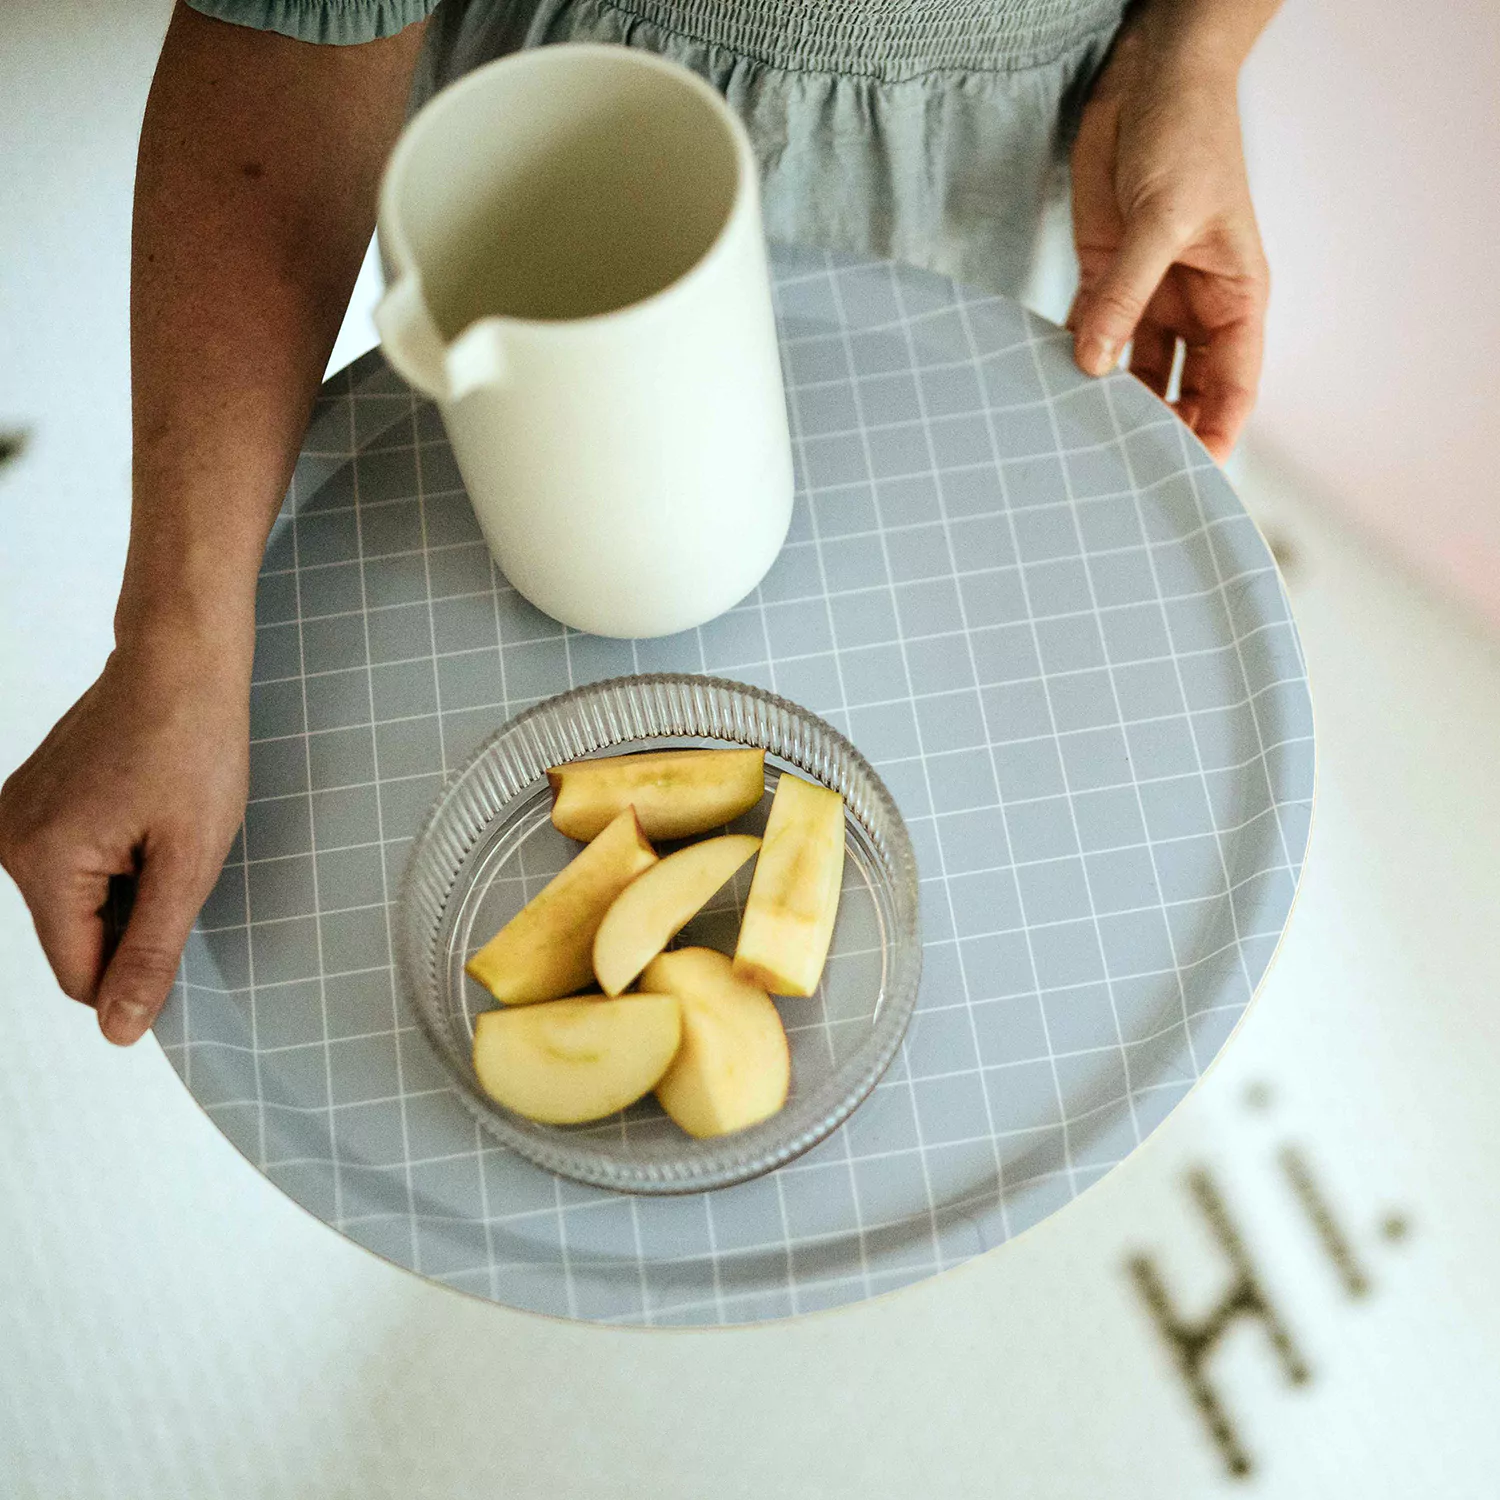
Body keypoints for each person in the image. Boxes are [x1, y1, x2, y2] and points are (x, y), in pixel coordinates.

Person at [0, 0, 1279, 1046]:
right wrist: (174, 646)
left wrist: (1196, 47)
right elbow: (289, 31)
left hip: (1012, 161)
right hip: (548, 99)